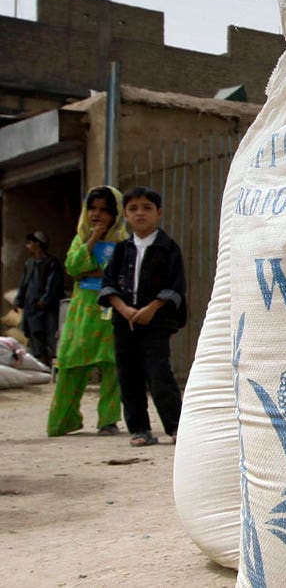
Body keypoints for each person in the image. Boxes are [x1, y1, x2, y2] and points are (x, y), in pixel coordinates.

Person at [98, 186, 187, 448]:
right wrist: (124, 309)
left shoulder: (168, 248)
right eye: (133, 209)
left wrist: (152, 308)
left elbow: (176, 285)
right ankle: (139, 429)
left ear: (158, 213)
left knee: (159, 374)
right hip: (124, 323)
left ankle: (176, 426)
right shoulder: (121, 249)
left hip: (156, 322)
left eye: (147, 208)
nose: (140, 214)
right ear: (125, 214)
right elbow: (108, 283)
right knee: (128, 376)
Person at [49, 187, 125, 436]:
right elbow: (72, 267)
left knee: (112, 365)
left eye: (104, 210)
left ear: (115, 214)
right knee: (71, 363)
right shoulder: (80, 238)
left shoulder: (123, 241)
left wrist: (89, 272)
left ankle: (108, 420)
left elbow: (120, 273)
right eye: (92, 208)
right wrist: (92, 240)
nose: (97, 214)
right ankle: (63, 421)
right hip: (82, 313)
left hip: (111, 310)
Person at [15, 231, 64, 364]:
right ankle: (40, 364)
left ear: (37, 244)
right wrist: (19, 299)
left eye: (30, 243)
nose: (27, 246)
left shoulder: (51, 262)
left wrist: (45, 299)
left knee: (50, 334)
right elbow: (24, 282)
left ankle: (51, 362)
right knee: (34, 334)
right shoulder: (29, 263)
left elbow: (53, 282)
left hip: (46, 307)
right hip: (31, 305)